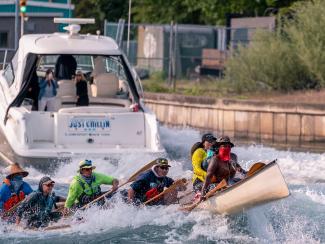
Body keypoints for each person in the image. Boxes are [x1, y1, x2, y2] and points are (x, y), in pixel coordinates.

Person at [200, 136, 246, 201]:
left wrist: (242, 171)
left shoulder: (233, 157)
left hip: (230, 182)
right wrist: (203, 193)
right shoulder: (215, 159)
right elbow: (208, 177)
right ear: (219, 147)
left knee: (240, 179)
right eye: (224, 146)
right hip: (218, 185)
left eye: (229, 146)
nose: (227, 148)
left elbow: (239, 168)